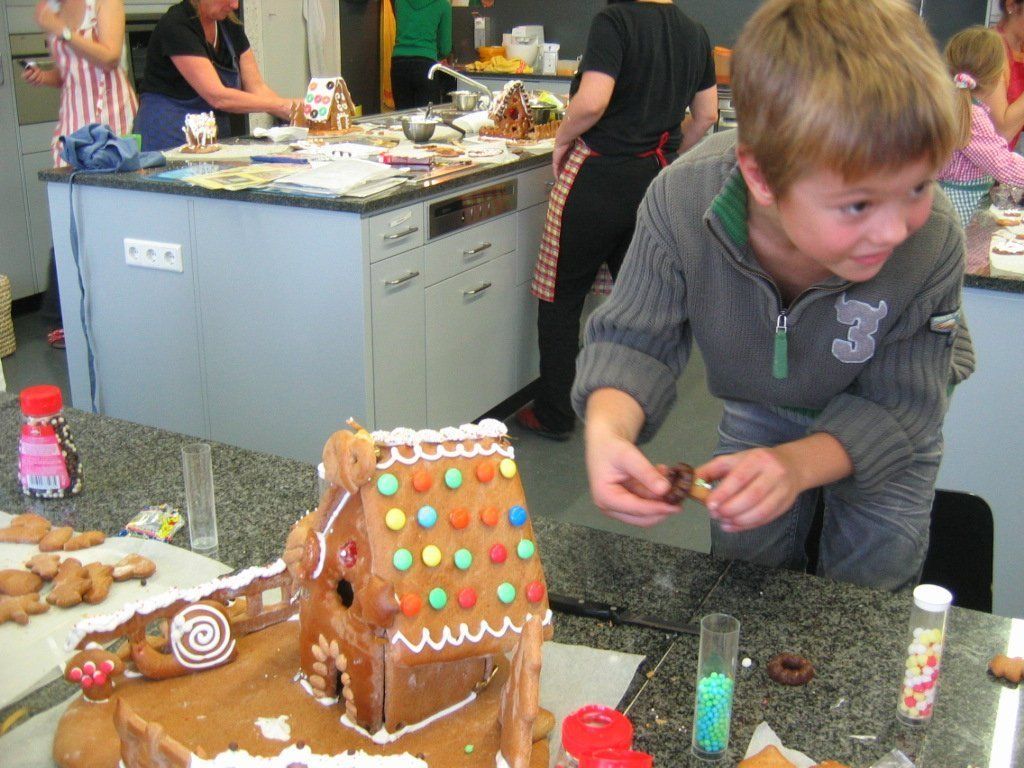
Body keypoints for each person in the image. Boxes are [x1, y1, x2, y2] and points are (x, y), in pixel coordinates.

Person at [572, 0, 975, 592]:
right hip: (763, 403)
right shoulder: (681, 200)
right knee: (744, 573)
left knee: (873, 577)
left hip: (885, 419)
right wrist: (608, 433)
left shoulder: (933, 237)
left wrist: (797, 465)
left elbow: (904, 407)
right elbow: (635, 342)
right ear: (761, 176)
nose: (894, 230)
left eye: (917, 186)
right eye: (858, 204)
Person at [516, 0, 718, 441]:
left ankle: (555, 413)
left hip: (597, 177)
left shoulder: (614, 21)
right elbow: (706, 115)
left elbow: (592, 102)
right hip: (653, 179)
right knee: (637, 302)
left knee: (562, 297)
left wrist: (561, 139)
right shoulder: (694, 32)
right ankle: (627, 408)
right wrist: (667, 152)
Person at [22, 0, 139, 347]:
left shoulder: (103, 4)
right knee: (69, 221)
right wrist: (45, 76)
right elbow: (70, 73)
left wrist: (62, 30)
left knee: (112, 220)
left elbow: (109, 57)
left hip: (110, 123)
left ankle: (117, 311)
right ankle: (69, 316)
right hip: (72, 127)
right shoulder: (52, 8)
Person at [134, 0, 296, 151]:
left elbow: (257, 88)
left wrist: (299, 111)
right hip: (168, 140)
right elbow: (217, 97)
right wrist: (281, 105)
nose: (235, 5)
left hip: (208, 140)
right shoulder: (176, 25)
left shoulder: (229, 26)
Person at [938, 27, 1024, 226]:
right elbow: (1002, 165)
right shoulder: (972, 116)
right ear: (997, 77)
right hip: (955, 213)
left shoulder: (951, 104)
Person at [390, 0, 452, 109]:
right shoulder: (443, 4)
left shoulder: (399, 2)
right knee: (426, 115)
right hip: (427, 66)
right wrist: (433, 54)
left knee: (403, 115)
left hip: (399, 64)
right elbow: (445, 49)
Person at [994, 0, 1024, 148]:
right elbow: (1002, 133)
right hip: (979, 160)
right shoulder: (989, 49)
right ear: (1011, 5)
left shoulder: (1020, 47)